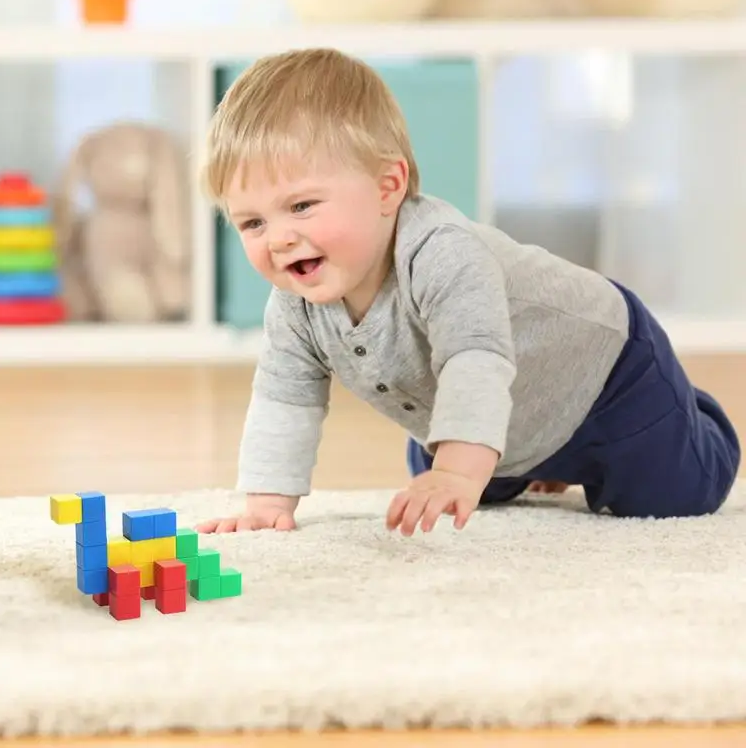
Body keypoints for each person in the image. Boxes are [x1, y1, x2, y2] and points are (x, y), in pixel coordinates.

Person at [195, 47, 740, 538]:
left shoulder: (440, 252)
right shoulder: (294, 306)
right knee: (444, 481)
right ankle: (532, 459)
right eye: (251, 224)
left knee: (671, 495)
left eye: (301, 206)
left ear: (388, 188)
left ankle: (692, 415)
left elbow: (474, 359)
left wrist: (455, 470)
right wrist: (268, 501)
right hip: (509, 410)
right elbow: (284, 397)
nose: (280, 238)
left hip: (608, 375)